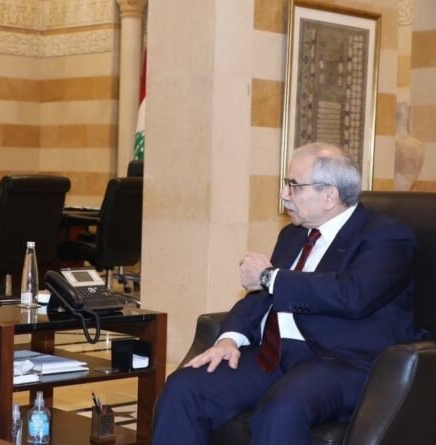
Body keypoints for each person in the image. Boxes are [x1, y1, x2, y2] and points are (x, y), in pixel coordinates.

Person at [152, 142, 425, 444]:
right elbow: (261, 297)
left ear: (329, 195)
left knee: (280, 409)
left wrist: (269, 276)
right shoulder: (293, 235)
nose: (284, 194)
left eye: (294, 186)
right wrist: (229, 339)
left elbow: (352, 295)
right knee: (183, 388)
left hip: (339, 361)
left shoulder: (386, 236)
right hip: (273, 355)